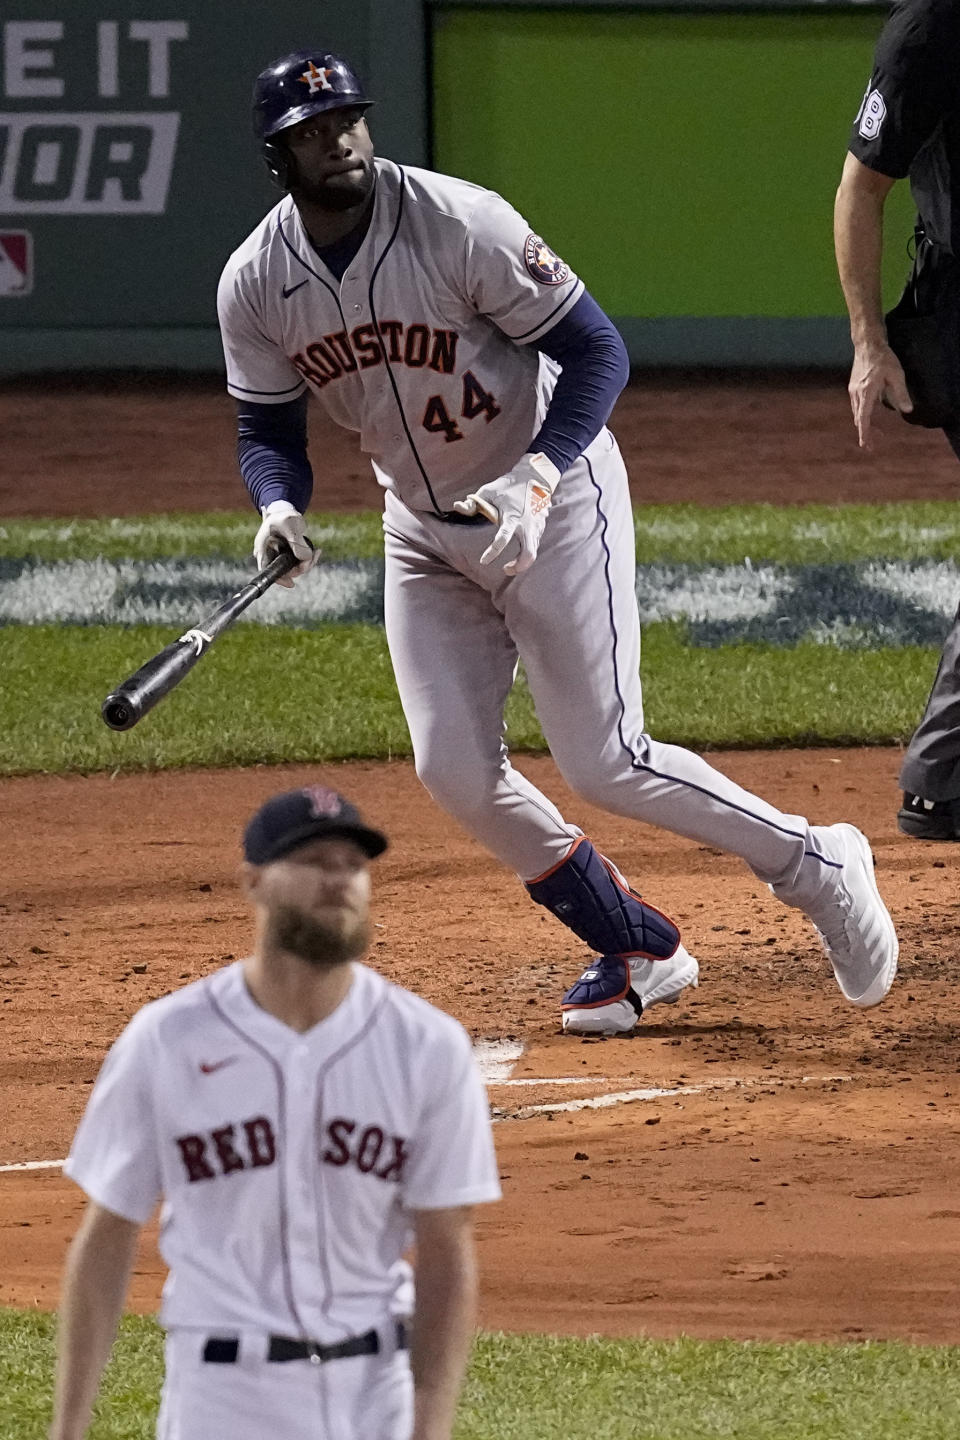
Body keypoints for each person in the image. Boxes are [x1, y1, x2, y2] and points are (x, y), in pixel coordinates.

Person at [218, 47, 899, 1036]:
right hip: (419, 528)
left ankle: (814, 862)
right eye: (315, 132)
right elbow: (267, 432)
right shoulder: (255, 282)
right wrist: (276, 507)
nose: (342, 141)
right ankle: (636, 944)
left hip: (553, 496)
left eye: (349, 120)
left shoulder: (460, 221)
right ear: (279, 155)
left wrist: (538, 476)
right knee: (451, 766)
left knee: (605, 759)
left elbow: (595, 350)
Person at [49, 786, 500, 1440]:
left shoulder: (426, 1046)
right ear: (254, 881)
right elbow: (107, 1236)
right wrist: (67, 1429)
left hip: (376, 1396)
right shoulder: (168, 1040)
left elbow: (446, 1250)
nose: (340, 878)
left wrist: (429, 1426)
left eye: (354, 863)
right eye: (314, 860)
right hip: (223, 1400)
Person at [834, 0, 960, 842]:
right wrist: (868, 341)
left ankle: (942, 779)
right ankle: (940, 775)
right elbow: (860, 187)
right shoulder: (930, 31)